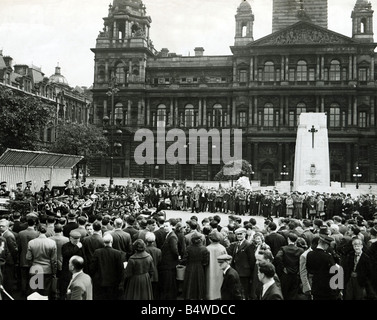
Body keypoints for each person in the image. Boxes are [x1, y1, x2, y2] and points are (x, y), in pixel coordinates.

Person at [26, 224, 57, 299]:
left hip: (35, 269)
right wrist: (54, 272)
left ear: (37, 230)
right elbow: (53, 260)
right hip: (47, 270)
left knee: (35, 292)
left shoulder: (31, 242)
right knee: (45, 293)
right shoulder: (52, 243)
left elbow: (28, 257)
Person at [90, 233, 124, 300]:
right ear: (112, 241)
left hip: (100, 282)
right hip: (113, 283)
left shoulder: (97, 252)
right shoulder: (117, 253)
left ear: (103, 242)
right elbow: (120, 270)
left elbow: (92, 268)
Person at [306, 234, 339, 300]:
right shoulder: (327, 256)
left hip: (316, 285)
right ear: (326, 245)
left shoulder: (309, 254)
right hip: (327, 287)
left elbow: (309, 269)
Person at [226, 227, 256, 300]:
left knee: (244, 291)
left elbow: (252, 260)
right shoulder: (236, 244)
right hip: (237, 271)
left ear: (245, 234)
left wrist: (250, 272)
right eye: (237, 234)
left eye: (240, 234)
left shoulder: (248, 245)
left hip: (244, 273)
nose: (239, 236)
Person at [274, 233, 304, 300]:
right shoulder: (300, 250)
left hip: (286, 273)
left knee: (284, 292)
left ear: (288, 239)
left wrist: (283, 267)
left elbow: (277, 257)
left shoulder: (284, 249)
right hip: (296, 274)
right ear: (296, 240)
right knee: (293, 293)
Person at [181, 234, 209, 300]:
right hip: (199, 267)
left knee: (189, 283)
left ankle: (189, 296)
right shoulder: (204, 249)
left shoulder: (188, 248)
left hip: (190, 267)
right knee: (199, 282)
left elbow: (185, 259)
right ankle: (199, 296)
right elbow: (206, 261)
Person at [17, 218, 39, 298]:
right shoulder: (37, 234)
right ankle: (32, 294)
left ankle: (23, 294)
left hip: (23, 259)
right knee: (34, 278)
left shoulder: (21, 233)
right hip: (34, 260)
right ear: (35, 223)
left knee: (24, 278)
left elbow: (19, 247)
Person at [159, 219, 179, 300]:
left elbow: (174, 250)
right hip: (168, 262)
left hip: (169, 263)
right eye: (164, 226)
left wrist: (177, 258)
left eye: (167, 226)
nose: (165, 228)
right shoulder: (169, 235)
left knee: (169, 282)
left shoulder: (172, 236)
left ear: (172, 226)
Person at [60, 230, 84, 299]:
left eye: (78, 239)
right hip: (67, 272)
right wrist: (76, 247)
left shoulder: (81, 246)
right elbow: (66, 254)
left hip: (78, 272)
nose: (76, 241)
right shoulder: (65, 246)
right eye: (75, 239)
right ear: (70, 238)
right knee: (65, 289)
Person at [206, 230, 227, 300]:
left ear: (210, 239)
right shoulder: (222, 248)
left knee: (210, 284)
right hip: (220, 270)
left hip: (209, 270)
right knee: (219, 284)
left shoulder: (207, 248)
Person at [0, 219, 18, 299]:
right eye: (0, 226)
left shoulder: (8, 235)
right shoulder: (3, 234)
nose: (0, 227)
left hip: (8, 262)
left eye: (2, 226)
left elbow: (13, 250)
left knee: (8, 281)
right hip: (5, 262)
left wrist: (13, 261)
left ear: (7, 227)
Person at [145, 232, 162, 300]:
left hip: (146, 273)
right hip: (155, 273)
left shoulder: (144, 250)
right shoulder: (158, 251)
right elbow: (160, 262)